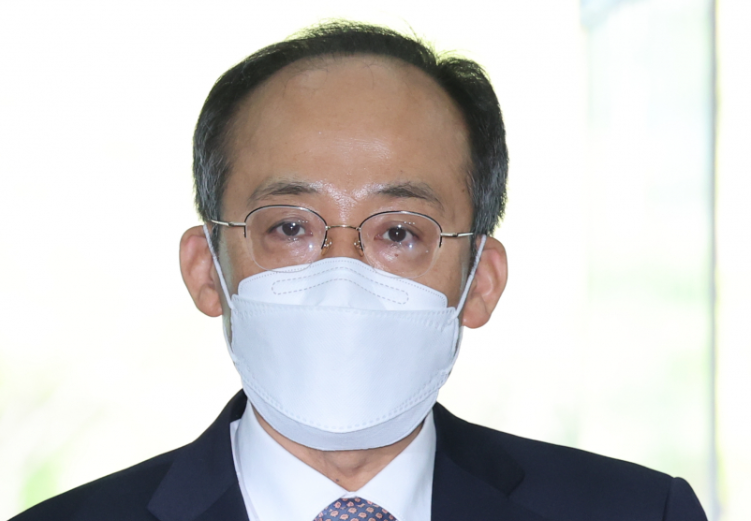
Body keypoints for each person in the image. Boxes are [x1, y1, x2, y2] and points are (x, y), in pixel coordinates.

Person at [11, 21, 707, 521]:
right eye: (290, 227)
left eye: (398, 232)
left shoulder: (639, 511)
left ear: (481, 280)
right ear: (205, 267)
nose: (340, 275)